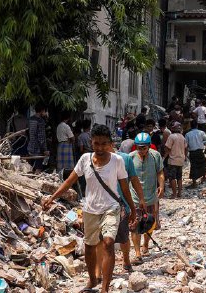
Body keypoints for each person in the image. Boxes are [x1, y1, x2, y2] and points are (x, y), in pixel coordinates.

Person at [43, 125, 137, 293]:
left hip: (111, 208)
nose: (100, 147)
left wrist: (133, 209)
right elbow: (69, 181)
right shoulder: (85, 159)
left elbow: (124, 187)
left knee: (108, 243)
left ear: (109, 144)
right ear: (91, 143)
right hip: (90, 210)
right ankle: (93, 279)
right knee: (89, 247)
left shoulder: (118, 161)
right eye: (96, 143)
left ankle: (105, 288)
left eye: (104, 144)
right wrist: (52, 197)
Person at [129, 132, 164, 261]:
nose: (142, 150)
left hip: (150, 197)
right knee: (134, 225)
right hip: (134, 198)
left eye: (144, 148)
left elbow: (160, 172)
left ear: (149, 146)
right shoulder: (130, 158)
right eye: (139, 147)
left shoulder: (156, 156)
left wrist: (161, 186)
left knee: (149, 222)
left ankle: (146, 244)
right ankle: (137, 253)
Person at [114, 143, 145, 273]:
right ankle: (99, 272)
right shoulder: (93, 159)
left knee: (123, 235)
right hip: (102, 205)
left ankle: (126, 259)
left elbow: (134, 179)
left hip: (121, 204)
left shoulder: (125, 159)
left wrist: (141, 199)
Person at [164, 122, 187, 198]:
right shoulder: (182, 137)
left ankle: (174, 194)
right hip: (181, 160)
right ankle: (179, 193)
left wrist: (164, 157)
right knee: (179, 177)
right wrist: (185, 157)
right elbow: (185, 148)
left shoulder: (171, 137)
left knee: (172, 178)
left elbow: (168, 148)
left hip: (173, 160)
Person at [185, 121, 206, 188]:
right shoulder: (201, 132)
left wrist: (185, 155)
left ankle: (194, 183)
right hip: (200, 151)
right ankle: (204, 177)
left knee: (193, 167)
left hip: (192, 152)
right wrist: (202, 142)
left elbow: (186, 146)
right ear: (197, 126)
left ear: (190, 126)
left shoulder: (187, 134)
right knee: (203, 164)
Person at [27, 105, 50, 172]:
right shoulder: (40, 121)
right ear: (42, 111)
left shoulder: (30, 119)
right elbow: (41, 137)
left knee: (30, 168)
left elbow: (28, 132)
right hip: (38, 149)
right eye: (45, 111)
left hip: (30, 147)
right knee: (38, 168)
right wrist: (45, 150)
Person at [56, 112, 75, 179]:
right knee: (68, 166)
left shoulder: (58, 126)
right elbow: (72, 137)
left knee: (61, 165)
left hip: (60, 145)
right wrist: (72, 140)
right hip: (66, 145)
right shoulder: (66, 126)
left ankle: (59, 178)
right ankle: (69, 180)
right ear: (68, 118)